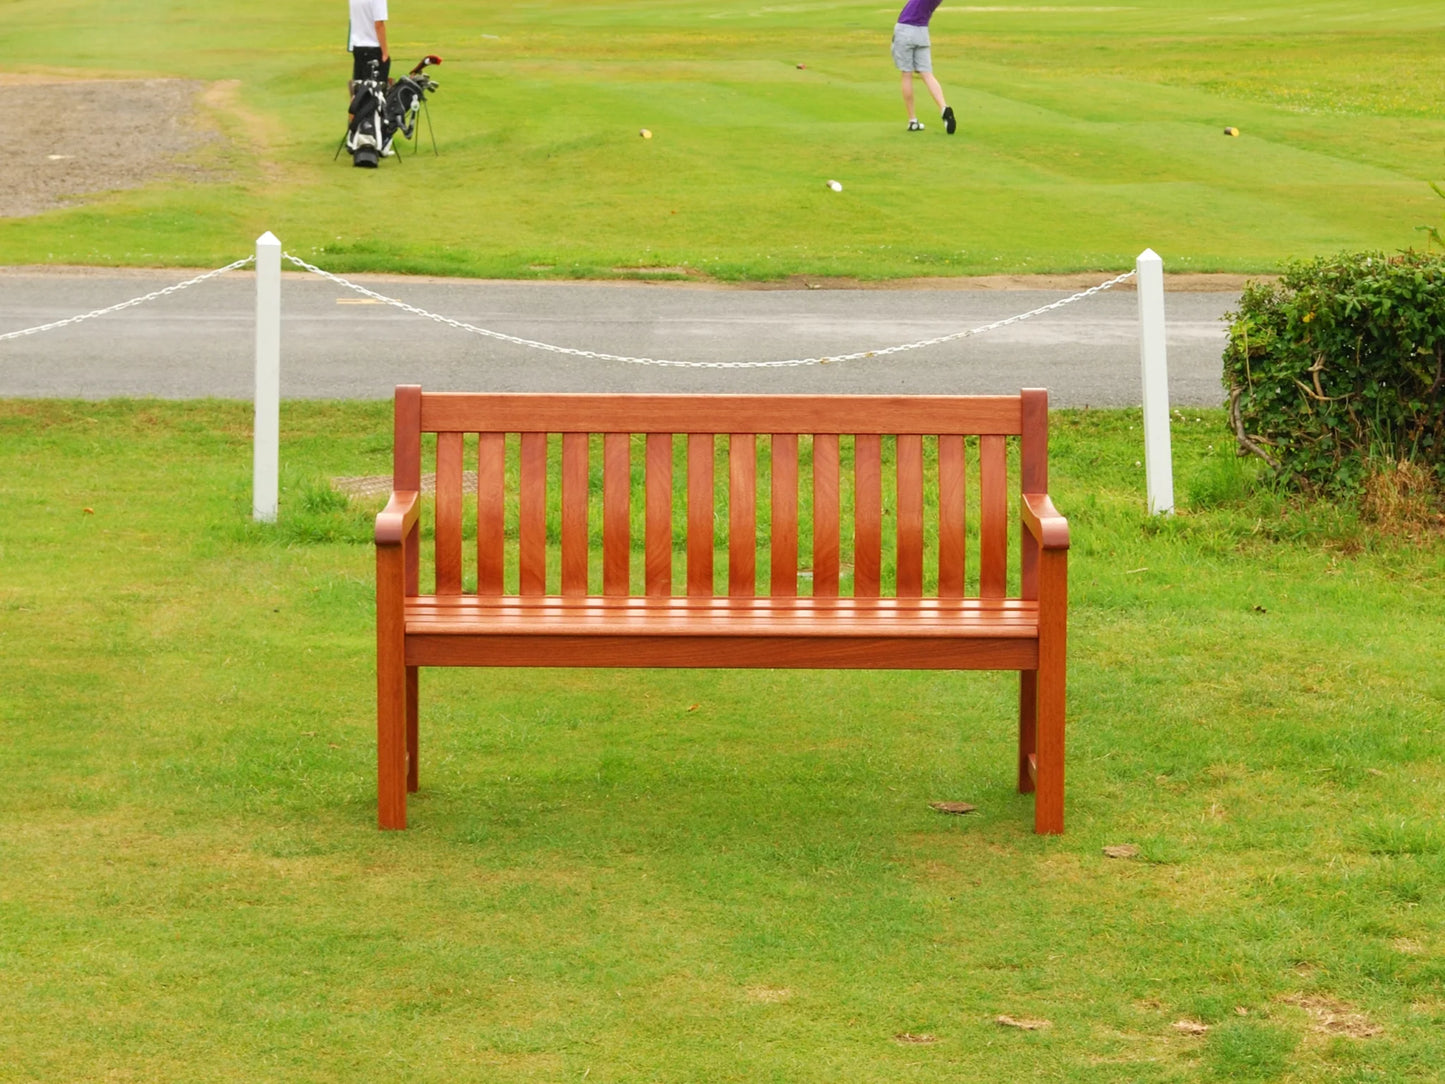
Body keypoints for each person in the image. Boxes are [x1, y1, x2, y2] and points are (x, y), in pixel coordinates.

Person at [891, 0, 955, 134]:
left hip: (905, 29)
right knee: (927, 73)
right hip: (922, 32)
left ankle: (912, 120)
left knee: (906, 74)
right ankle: (944, 107)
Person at [348, 0, 391, 92]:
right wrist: (385, 53)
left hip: (358, 47)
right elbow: (379, 25)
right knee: (376, 92)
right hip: (373, 48)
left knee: (358, 90)